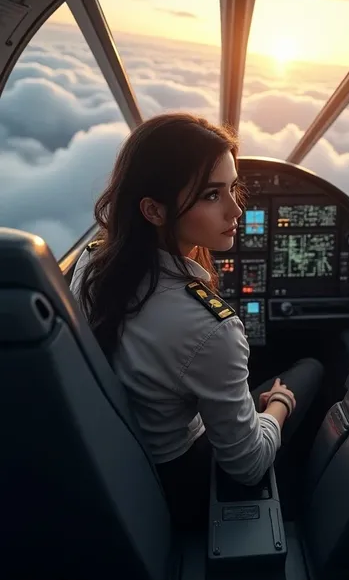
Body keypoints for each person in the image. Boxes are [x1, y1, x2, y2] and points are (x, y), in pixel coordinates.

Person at [70, 112, 323, 526]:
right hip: (178, 483)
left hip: (120, 460)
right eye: (211, 195)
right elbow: (248, 465)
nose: (235, 211)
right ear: (153, 210)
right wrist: (277, 406)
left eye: (233, 189)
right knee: (309, 369)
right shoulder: (210, 328)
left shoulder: (92, 264)